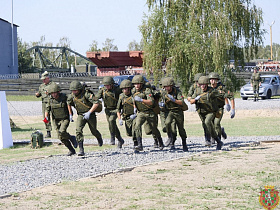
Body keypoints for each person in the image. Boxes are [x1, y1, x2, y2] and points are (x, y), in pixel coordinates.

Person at [67, 81, 103, 156]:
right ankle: (81, 149)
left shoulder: (86, 94)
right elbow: (68, 103)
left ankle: (98, 137)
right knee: (78, 130)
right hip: (81, 115)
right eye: (72, 90)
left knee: (93, 130)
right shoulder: (72, 96)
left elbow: (96, 103)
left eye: (75, 90)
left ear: (79, 89)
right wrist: (70, 114)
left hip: (90, 114)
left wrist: (89, 112)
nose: (74, 92)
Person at [131, 75, 164, 151]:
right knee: (137, 126)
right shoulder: (133, 91)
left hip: (150, 112)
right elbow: (133, 100)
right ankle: (140, 145)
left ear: (141, 83)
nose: (136, 85)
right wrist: (135, 108)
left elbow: (151, 102)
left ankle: (160, 142)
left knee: (154, 129)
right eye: (135, 84)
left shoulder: (147, 90)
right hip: (141, 113)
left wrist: (141, 100)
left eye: (138, 83)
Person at [190, 76, 223, 150]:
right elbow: (191, 100)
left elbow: (220, 96)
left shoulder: (211, 90)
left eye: (204, 84)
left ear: (207, 84)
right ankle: (217, 141)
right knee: (206, 125)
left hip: (210, 111)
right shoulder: (197, 91)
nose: (202, 86)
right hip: (201, 112)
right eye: (201, 84)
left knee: (207, 122)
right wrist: (195, 99)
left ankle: (217, 140)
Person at [45, 83, 77, 156]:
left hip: (65, 118)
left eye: (55, 93)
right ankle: (71, 150)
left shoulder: (64, 97)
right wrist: (46, 117)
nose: (53, 94)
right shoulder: (50, 100)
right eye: (52, 93)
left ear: (58, 92)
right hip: (56, 120)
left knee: (62, 131)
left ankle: (71, 137)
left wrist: (71, 115)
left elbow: (70, 101)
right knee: (60, 137)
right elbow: (47, 109)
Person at [160, 77, 188, 151]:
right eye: (165, 87)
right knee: (167, 123)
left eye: (168, 86)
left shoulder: (177, 92)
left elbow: (181, 102)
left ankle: (184, 143)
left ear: (172, 85)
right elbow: (159, 98)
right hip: (170, 111)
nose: (167, 88)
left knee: (181, 128)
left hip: (178, 111)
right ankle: (170, 138)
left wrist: (173, 100)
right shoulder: (163, 92)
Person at [96, 76, 124, 148]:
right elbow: (96, 97)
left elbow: (123, 97)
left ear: (112, 84)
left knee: (111, 121)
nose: (106, 87)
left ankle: (112, 137)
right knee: (112, 125)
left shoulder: (117, 90)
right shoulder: (102, 90)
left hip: (116, 109)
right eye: (105, 85)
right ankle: (120, 139)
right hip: (107, 110)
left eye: (108, 85)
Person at [208, 72, 235, 143]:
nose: (212, 81)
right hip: (210, 109)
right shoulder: (207, 88)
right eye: (211, 79)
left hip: (219, 108)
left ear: (217, 80)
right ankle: (217, 133)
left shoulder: (222, 88)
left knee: (216, 123)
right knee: (210, 123)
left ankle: (218, 139)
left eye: (214, 80)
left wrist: (232, 109)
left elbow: (231, 97)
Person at [117, 80, 137, 148]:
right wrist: (119, 119)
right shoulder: (121, 96)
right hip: (127, 117)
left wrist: (135, 113)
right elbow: (118, 109)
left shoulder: (133, 95)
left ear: (129, 88)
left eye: (125, 88)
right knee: (129, 133)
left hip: (134, 116)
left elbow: (137, 105)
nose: (124, 90)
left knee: (135, 130)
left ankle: (136, 144)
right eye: (122, 89)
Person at [35, 71, 54, 138]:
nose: (43, 80)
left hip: (52, 103)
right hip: (44, 104)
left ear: (48, 78)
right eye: (42, 79)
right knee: (46, 118)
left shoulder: (53, 85)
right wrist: (37, 94)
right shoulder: (41, 86)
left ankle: (60, 131)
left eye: (44, 79)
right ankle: (48, 132)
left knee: (56, 117)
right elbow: (39, 93)